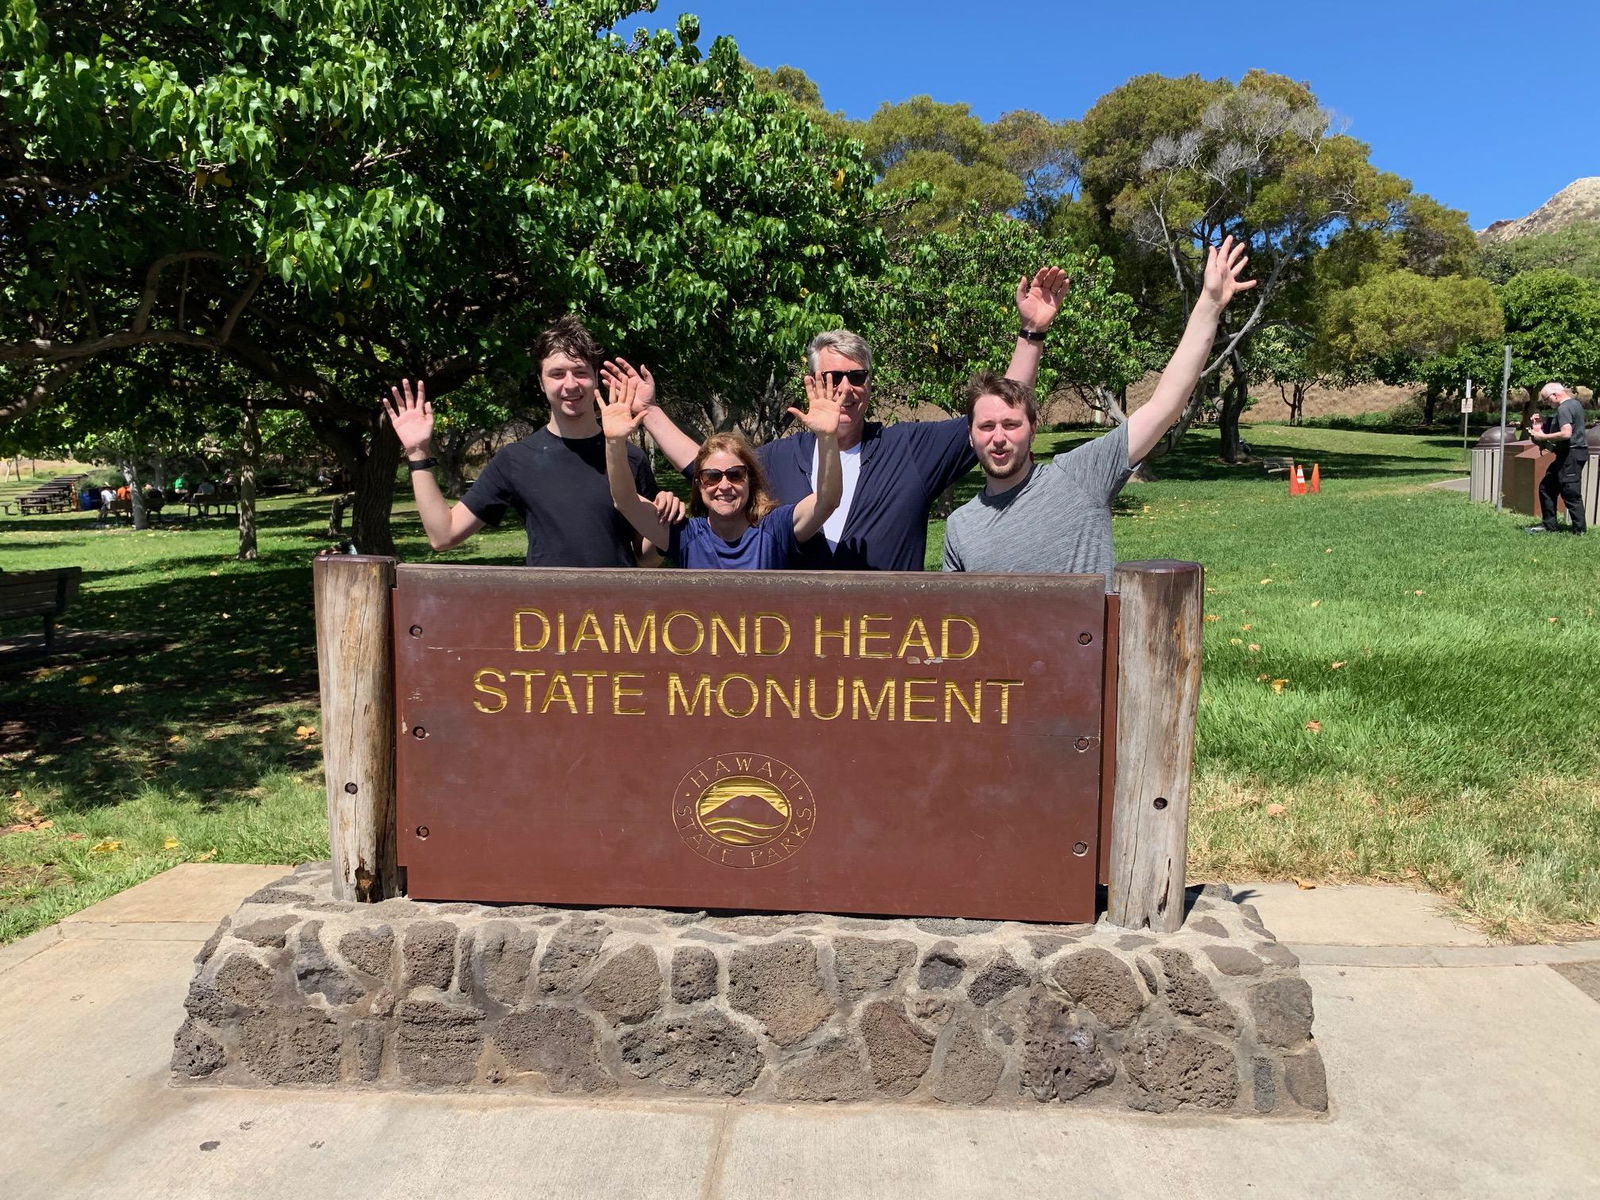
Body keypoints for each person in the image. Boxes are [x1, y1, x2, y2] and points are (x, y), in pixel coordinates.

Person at [626, 268, 1070, 571]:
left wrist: (1032, 333)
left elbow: (1001, 412)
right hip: (801, 654)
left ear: (869, 384)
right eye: (832, 377)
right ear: (809, 383)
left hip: (892, 647)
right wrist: (649, 412)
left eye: (857, 377)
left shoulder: (909, 450)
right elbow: (706, 463)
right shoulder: (778, 459)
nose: (845, 388)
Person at [942, 236, 1256, 586]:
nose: (998, 437)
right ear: (970, 436)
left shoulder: (1080, 476)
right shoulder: (960, 526)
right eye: (986, 426)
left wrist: (1210, 305)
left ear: (1032, 430)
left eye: (1011, 424)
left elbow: (1165, 405)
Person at [383, 316, 681, 566]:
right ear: (541, 383)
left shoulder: (630, 458)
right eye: (557, 374)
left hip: (615, 620)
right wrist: (417, 452)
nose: (570, 384)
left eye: (580, 372)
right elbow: (443, 535)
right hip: (546, 621)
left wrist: (664, 523)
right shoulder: (515, 460)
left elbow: (643, 558)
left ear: (594, 379)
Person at [599, 369, 843, 569]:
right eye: (712, 476)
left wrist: (827, 438)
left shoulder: (775, 528)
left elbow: (827, 500)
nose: (724, 485)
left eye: (735, 474)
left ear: (750, 480)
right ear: (699, 484)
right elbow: (625, 500)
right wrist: (614, 441)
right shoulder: (684, 535)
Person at [1525, 382, 1589, 535]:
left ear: (1555, 395)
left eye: (1546, 400)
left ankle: (1580, 531)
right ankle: (1549, 525)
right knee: (1547, 487)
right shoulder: (1574, 404)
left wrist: (1542, 436)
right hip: (1569, 454)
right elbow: (1562, 424)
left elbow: (1566, 433)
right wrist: (1541, 423)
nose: (1547, 403)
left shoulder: (1564, 408)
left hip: (1571, 455)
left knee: (1570, 492)